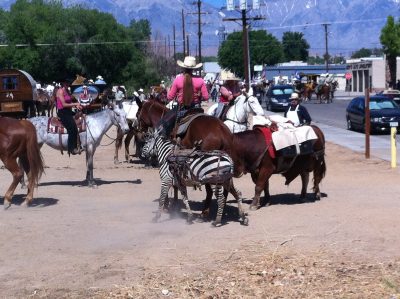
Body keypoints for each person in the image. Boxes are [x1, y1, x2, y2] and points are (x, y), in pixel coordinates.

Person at [158, 56, 209, 137]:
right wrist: (199, 96)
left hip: (181, 109)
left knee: (164, 122)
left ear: (183, 68)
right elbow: (206, 97)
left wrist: (168, 91)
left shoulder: (177, 80)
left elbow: (170, 97)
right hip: (197, 109)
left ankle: (165, 139)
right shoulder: (200, 80)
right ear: (194, 69)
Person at [56, 79, 82, 155]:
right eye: (66, 83)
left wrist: (77, 106)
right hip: (62, 112)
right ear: (63, 83)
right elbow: (64, 104)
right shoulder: (60, 91)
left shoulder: (67, 91)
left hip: (68, 111)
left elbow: (69, 102)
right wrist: (75, 104)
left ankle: (79, 144)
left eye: (68, 83)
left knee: (81, 117)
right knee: (72, 127)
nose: (67, 84)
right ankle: (71, 148)